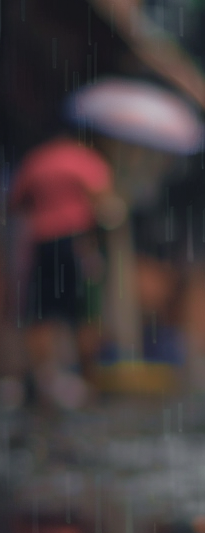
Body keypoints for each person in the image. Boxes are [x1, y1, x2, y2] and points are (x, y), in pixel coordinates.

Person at [11, 137, 126, 408]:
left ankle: (43, 380)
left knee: (41, 313)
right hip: (76, 243)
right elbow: (107, 207)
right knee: (84, 313)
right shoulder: (85, 161)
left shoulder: (36, 160)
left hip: (42, 244)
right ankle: (89, 380)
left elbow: (16, 202)